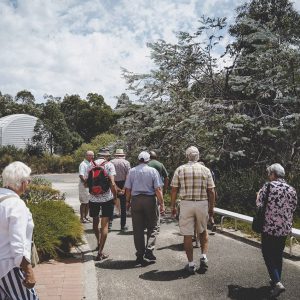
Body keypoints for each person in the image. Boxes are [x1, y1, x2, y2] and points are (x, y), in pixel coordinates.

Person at [170, 146, 215, 274]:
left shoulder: (180, 169)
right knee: (203, 230)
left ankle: (190, 264)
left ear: (187, 156)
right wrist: (211, 209)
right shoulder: (206, 170)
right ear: (198, 156)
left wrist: (172, 206)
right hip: (202, 203)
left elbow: (174, 189)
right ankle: (204, 257)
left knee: (187, 234)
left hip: (186, 203)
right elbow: (211, 191)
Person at [256, 163, 297, 298]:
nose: (269, 176)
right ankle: (275, 280)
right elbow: (293, 207)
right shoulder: (292, 189)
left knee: (267, 253)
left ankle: (278, 283)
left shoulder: (267, 186)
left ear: (273, 174)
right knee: (278, 254)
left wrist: (258, 196)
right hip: (284, 228)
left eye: (269, 174)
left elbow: (259, 205)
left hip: (269, 227)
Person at [0, 161, 39, 300]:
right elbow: (18, 242)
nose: (28, 184)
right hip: (10, 267)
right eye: (28, 180)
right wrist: (28, 271)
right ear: (22, 183)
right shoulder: (16, 205)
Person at [124, 151, 164, 265]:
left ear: (138, 159)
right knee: (154, 226)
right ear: (148, 160)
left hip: (136, 200)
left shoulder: (132, 171)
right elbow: (158, 189)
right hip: (149, 200)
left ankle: (140, 254)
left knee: (138, 229)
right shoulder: (153, 171)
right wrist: (162, 203)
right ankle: (149, 250)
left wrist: (127, 201)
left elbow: (128, 189)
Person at [88, 148, 118, 261]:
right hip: (106, 199)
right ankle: (100, 252)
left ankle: (98, 242)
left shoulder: (90, 164)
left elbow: (86, 183)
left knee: (95, 222)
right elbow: (112, 182)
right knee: (104, 225)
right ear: (107, 156)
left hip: (93, 198)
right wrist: (115, 197)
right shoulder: (109, 165)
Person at [111, 149, 131, 231]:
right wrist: (123, 188)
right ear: (123, 155)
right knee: (123, 207)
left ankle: (109, 225)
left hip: (113, 184)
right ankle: (123, 226)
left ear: (116, 155)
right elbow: (128, 176)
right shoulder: (126, 162)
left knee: (111, 205)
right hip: (124, 184)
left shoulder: (111, 162)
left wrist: (115, 186)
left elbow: (109, 175)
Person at [78, 150, 94, 223]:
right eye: (91, 155)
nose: (92, 157)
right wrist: (86, 183)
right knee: (84, 202)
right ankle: (82, 218)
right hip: (84, 185)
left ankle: (86, 217)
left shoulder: (91, 163)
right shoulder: (83, 164)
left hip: (89, 185)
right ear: (87, 156)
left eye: (93, 155)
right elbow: (81, 175)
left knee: (88, 202)